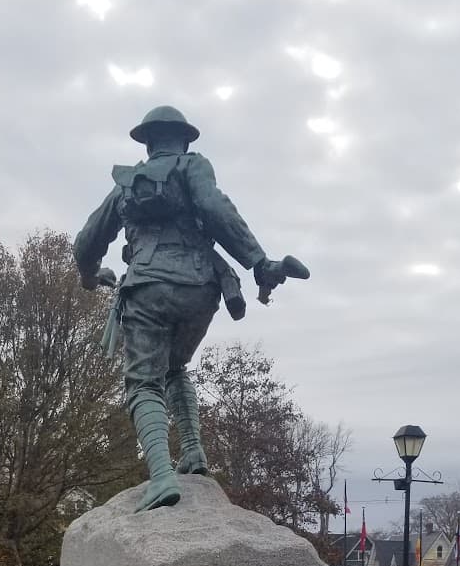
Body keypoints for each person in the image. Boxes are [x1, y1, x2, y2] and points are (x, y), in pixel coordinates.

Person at [74, 105, 307, 510]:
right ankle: (194, 453)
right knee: (175, 368)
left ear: (147, 143)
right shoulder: (195, 167)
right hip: (201, 289)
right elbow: (217, 211)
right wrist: (258, 262)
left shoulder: (126, 186)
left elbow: (87, 242)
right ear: (184, 139)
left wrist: (89, 276)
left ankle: (162, 476)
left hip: (147, 286)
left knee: (145, 381)